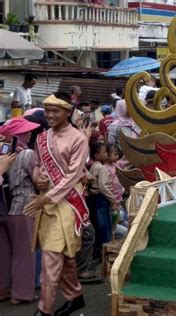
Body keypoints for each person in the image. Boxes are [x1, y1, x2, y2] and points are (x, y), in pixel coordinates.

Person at [23, 93, 89, 316]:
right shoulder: (42, 137)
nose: (49, 115)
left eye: (55, 111)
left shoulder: (78, 139)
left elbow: (73, 176)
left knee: (51, 258)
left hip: (67, 204)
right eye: (47, 110)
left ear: (68, 112)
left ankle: (44, 310)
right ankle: (75, 296)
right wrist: (35, 176)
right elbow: (38, 165)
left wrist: (47, 196)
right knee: (65, 256)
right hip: (47, 203)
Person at [0, 118, 40, 305]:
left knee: (5, 251)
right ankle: (22, 293)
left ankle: (4, 290)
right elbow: (38, 179)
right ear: (17, 136)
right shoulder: (28, 154)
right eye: (26, 131)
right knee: (24, 252)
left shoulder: (3, 153)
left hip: (4, 208)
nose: (30, 133)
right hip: (24, 206)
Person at [88, 142, 116, 257]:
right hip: (101, 199)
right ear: (96, 155)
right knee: (104, 226)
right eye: (104, 152)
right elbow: (103, 186)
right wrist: (113, 199)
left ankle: (97, 250)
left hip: (93, 199)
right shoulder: (102, 168)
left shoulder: (92, 167)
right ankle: (104, 252)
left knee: (97, 224)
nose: (106, 154)